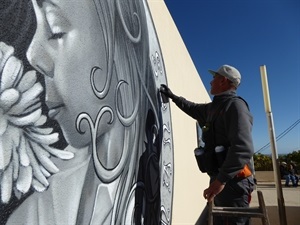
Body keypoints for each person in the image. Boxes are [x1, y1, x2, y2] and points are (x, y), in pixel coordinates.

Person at [5, 0, 166, 224]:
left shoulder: (150, 169)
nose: (33, 55)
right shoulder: (36, 211)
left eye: (55, 29)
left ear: (120, 38)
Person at [160, 64, 255, 225]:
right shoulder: (214, 108)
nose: (211, 82)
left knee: (232, 222)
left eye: (214, 78)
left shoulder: (235, 106)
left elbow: (242, 148)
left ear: (224, 81)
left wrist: (221, 181)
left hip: (233, 182)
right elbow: (193, 108)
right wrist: (173, 97)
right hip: (222, 180)